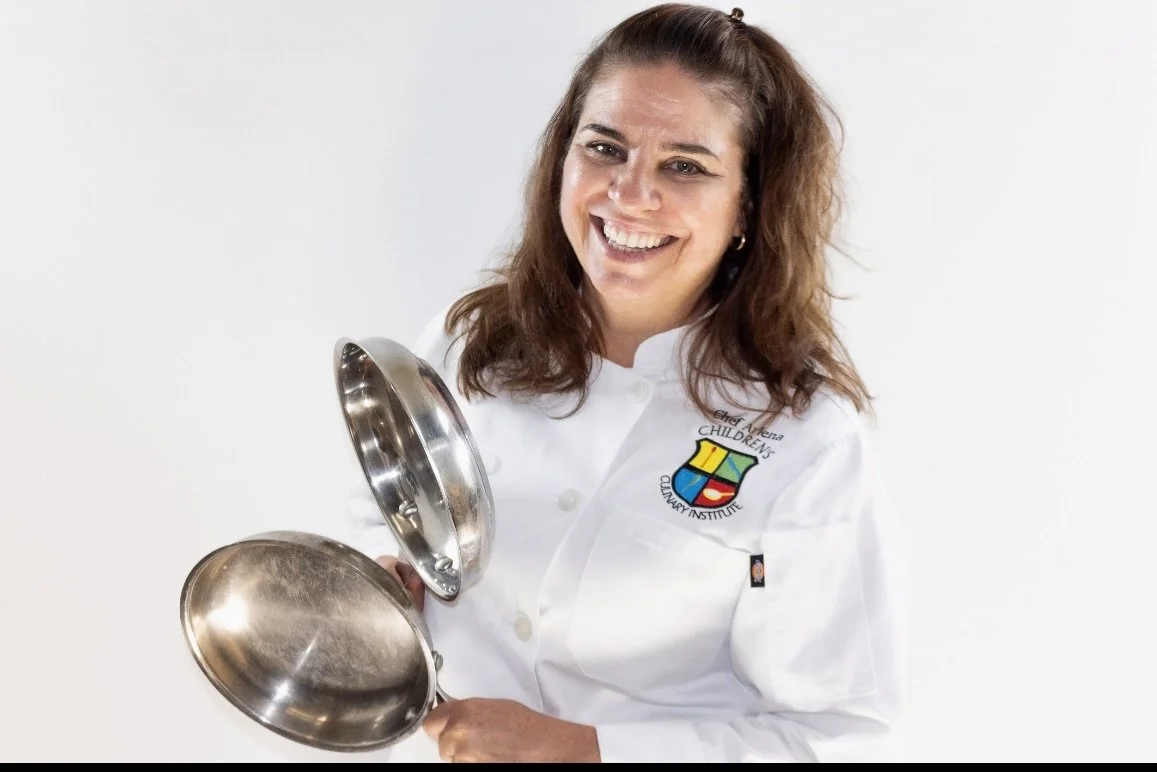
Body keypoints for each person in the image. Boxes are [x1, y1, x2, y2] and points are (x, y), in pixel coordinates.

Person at [344, 3, 908, 763]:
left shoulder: (803, 439)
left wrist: (586, 750)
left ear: (747, 204)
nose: (629, 194)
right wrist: (385, 580)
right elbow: (384, 511)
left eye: (685, 166)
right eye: (604, 148)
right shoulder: (473, 339)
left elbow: (835, 736)